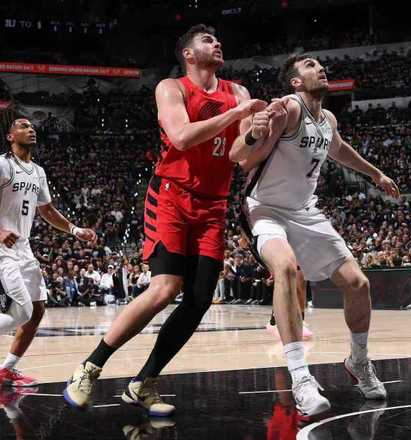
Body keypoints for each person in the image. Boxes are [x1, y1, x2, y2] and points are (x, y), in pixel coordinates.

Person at [64, 24, 267, 413]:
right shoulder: (171, 88)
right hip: (172, 196)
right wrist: (238, 114)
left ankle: (144, 382)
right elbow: (182, 137)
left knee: (200, 299)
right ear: (188, 54)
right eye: (207, 40)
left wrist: (256, 133)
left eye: (217, 38)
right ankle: (90, 367)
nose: (217, 42)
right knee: (165, 288)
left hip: (213, 204)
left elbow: (239, 155)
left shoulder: (238, 92)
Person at [230, 54, 399, 415]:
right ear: (295, 82)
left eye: (320, 64)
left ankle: (358, 361)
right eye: (309, 65)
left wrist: (375, 174)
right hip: (265, 209)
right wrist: (254, 132)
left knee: (358, 284)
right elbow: (238, 156)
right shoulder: (289, 109)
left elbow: (339, 150)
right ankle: (300, 378)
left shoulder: (328, 120)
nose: (320, 68)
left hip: (305, 211)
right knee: (286, 269)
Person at [0, 118, 97, 386]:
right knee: (20, 310)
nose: (31, 129)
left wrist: (75, 229)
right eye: (22, 126)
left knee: (37, 308)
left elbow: (47, 210)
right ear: (10, 136)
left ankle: (7, 369)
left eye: (32, 127)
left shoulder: (38, 172)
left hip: (23, 246)